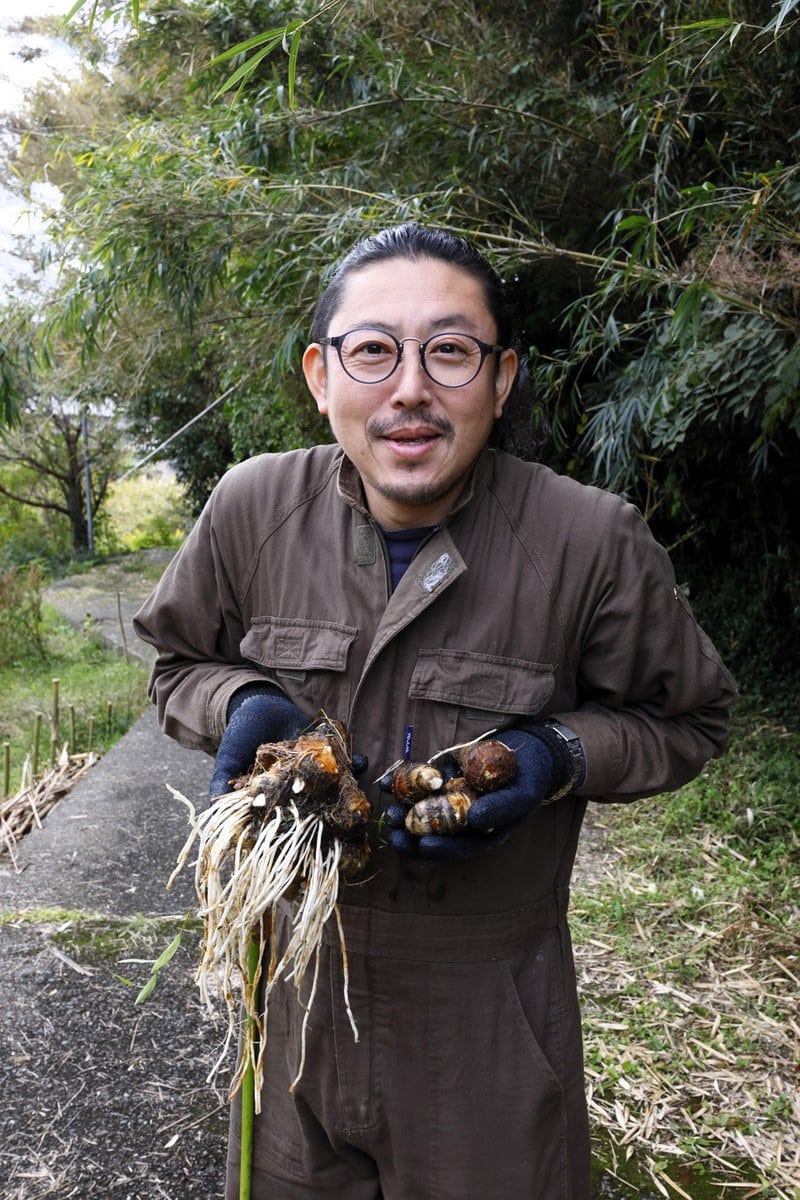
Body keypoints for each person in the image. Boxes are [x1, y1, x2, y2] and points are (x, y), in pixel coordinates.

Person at [134, 222, 737, 1200]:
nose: (408, 387)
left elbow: (690, 719)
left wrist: (553, 753)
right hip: (294, 1014)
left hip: (487, 1026)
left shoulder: (586, 540)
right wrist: (242, 698)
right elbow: (176, 664)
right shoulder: (251, 508)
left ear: (500, 381)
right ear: (319, 375)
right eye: (372, 350)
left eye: (448, 351)